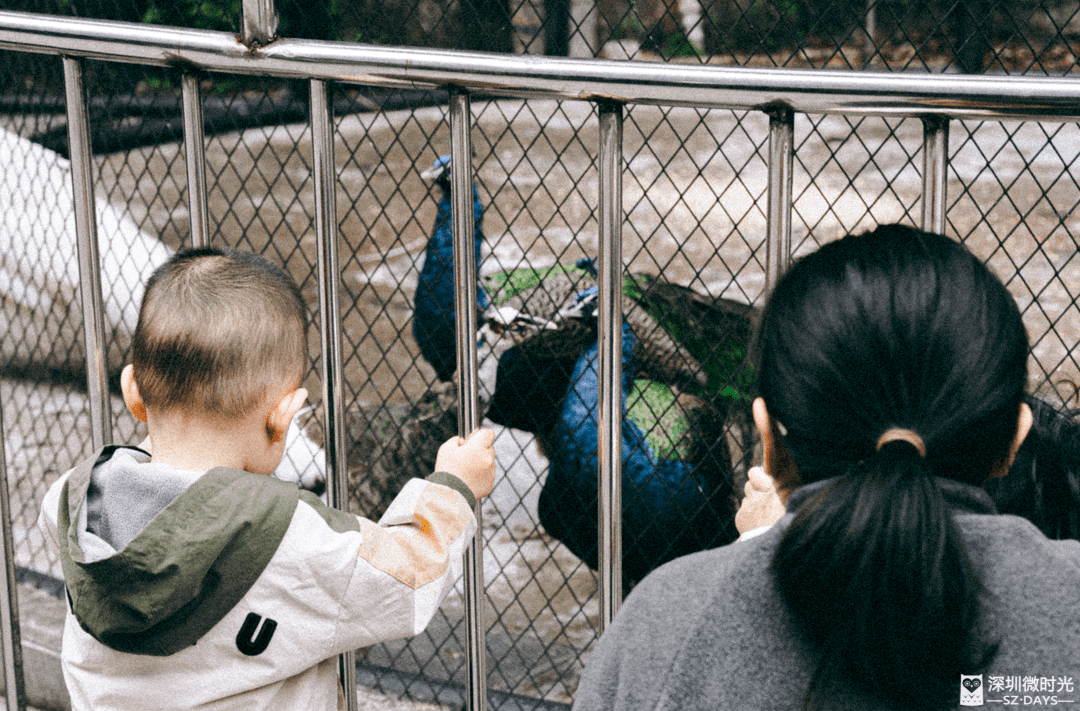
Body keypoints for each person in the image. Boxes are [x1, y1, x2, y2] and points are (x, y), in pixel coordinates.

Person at [571, 224, 1080, 711]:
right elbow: (995, 691)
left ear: (769, 441)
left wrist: (746, 557)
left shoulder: (664, 621)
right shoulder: (1060, 643)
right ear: (1014, 439)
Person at [37, 246, 497, 711]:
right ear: (283, 416)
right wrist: (452, 489)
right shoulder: (290, 534)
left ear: (133, 391)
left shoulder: (68, 503)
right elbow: (408, 580)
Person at [413, 155, 753, 587]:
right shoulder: (492, 341)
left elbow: (677, 362)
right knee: (575, 495)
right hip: (561, 384)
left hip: (598, 361)